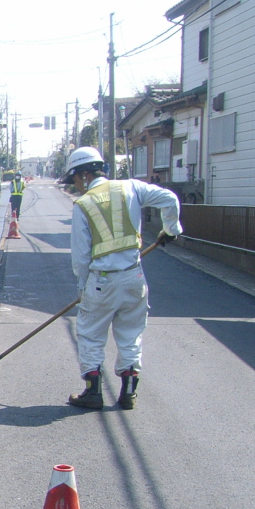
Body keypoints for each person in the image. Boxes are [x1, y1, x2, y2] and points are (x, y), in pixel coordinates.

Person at [61, 146, 181, 410]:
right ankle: (128, 393)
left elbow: (81, 257)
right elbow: (170, 199)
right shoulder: (132, 188)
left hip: (102, 280)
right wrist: (170, 229)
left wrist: (83, 288)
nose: (76, 186)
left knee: (91, 335)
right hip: (134, 276)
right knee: (130, 334)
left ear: (83, 175)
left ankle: (93, 393)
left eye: (75, 180)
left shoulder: (84, 204)